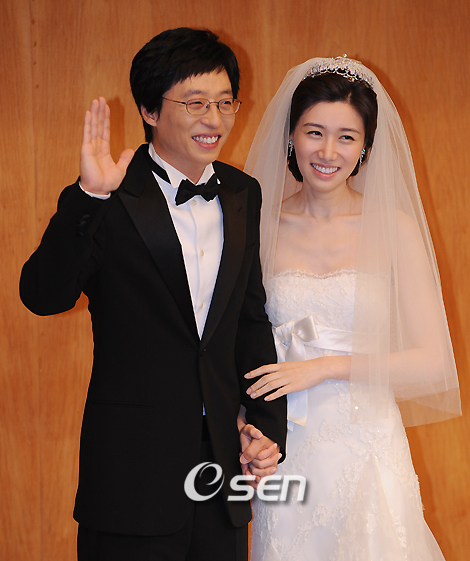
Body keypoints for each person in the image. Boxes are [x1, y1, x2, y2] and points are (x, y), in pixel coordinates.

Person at [19, 28, 287, 561]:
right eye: (194, 103)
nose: (214, 119)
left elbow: (249, 321)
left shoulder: (243, 193)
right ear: (149, 109)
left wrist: (262, 428)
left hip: (219, 477)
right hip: (130, 478)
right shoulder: (110, 192)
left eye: (225, 102)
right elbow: (43, 295)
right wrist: (89, 196)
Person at [243, 56, 461, 560]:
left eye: (346, 137)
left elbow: (432, 361)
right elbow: (238, 342)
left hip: (367, 440)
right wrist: (246, 430)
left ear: (365, 146)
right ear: (291, 136)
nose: (327, 152)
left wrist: (324, 367)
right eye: (314, 132)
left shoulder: (392, 227)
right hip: (285, 443)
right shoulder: (258, 228)